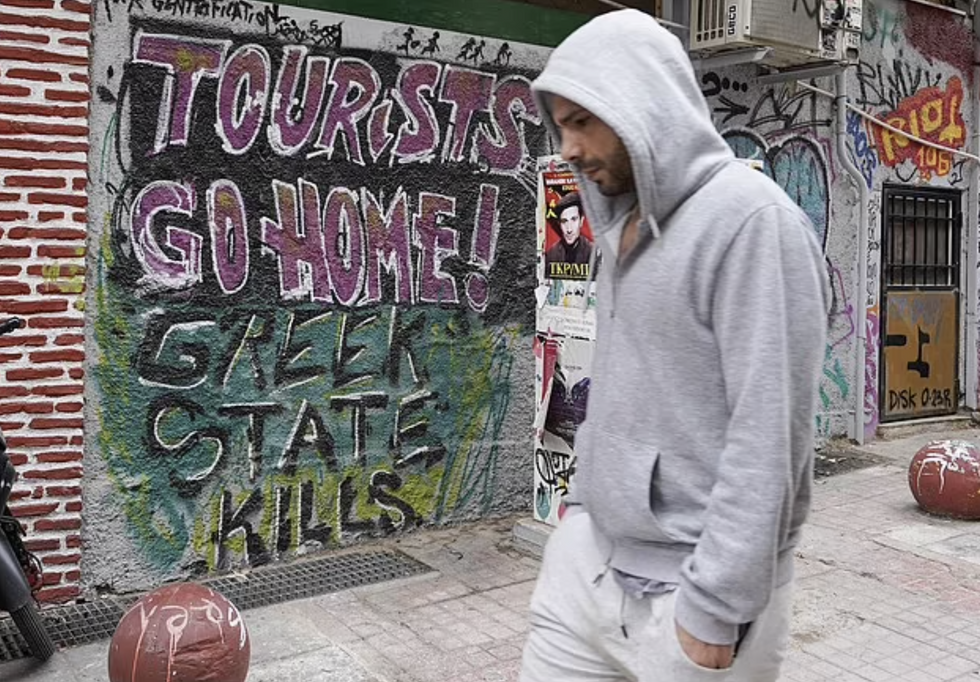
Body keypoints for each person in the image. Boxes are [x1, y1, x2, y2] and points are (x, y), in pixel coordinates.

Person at [521, 9, 830, 682]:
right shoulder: (622, 228)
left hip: (691, 593)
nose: (567, 147)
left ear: (641, 105)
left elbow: (769, 431)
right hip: (589, 560)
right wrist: (578, 508)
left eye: (582, 121)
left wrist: (714, 609)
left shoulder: (753, 222)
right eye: (562, 125)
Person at [545, 191, 595, 280]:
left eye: (574, 219)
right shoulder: (551, 255)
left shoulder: (594, 253)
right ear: (559, 224)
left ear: (581, 221)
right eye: (564, 221)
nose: (569, 229)